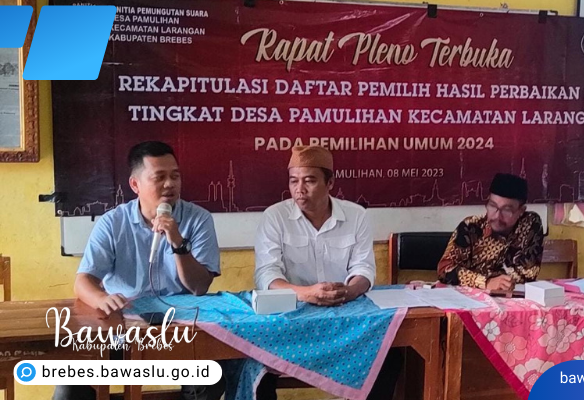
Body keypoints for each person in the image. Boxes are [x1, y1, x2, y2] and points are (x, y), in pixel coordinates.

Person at [54, 141, 224, 400]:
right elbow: (83, 281)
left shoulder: (198, 219)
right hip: (124, 329)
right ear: (135, 185)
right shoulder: (113, 222)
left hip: (179, 330)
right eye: (159, 177)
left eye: (175, 176)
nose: (170, 184)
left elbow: (199, 287)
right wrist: (102, 298)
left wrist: (177, 242)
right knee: (71, 385)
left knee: (213, 376)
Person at [253, 145, 399, 400]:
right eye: (294, 181)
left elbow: (364, 268)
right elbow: (267, 275)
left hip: (345, 316)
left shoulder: (356, 216)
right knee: (254, 361)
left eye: (309, 181)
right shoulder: (275, 217)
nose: (300, 189)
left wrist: (349, 291)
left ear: (330, 183)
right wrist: (307, 293)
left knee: (390, 353)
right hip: (292, 319)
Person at [438, 173, 545, 291]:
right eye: (493, 206)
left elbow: (529, 273)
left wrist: (499, 281)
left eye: (507, 210)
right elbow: (444, 269)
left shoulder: (530, 224)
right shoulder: (471, 227)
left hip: (512, 297)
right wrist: (486, 282)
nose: (497, 216)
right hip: (469, 296)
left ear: (521, 211)